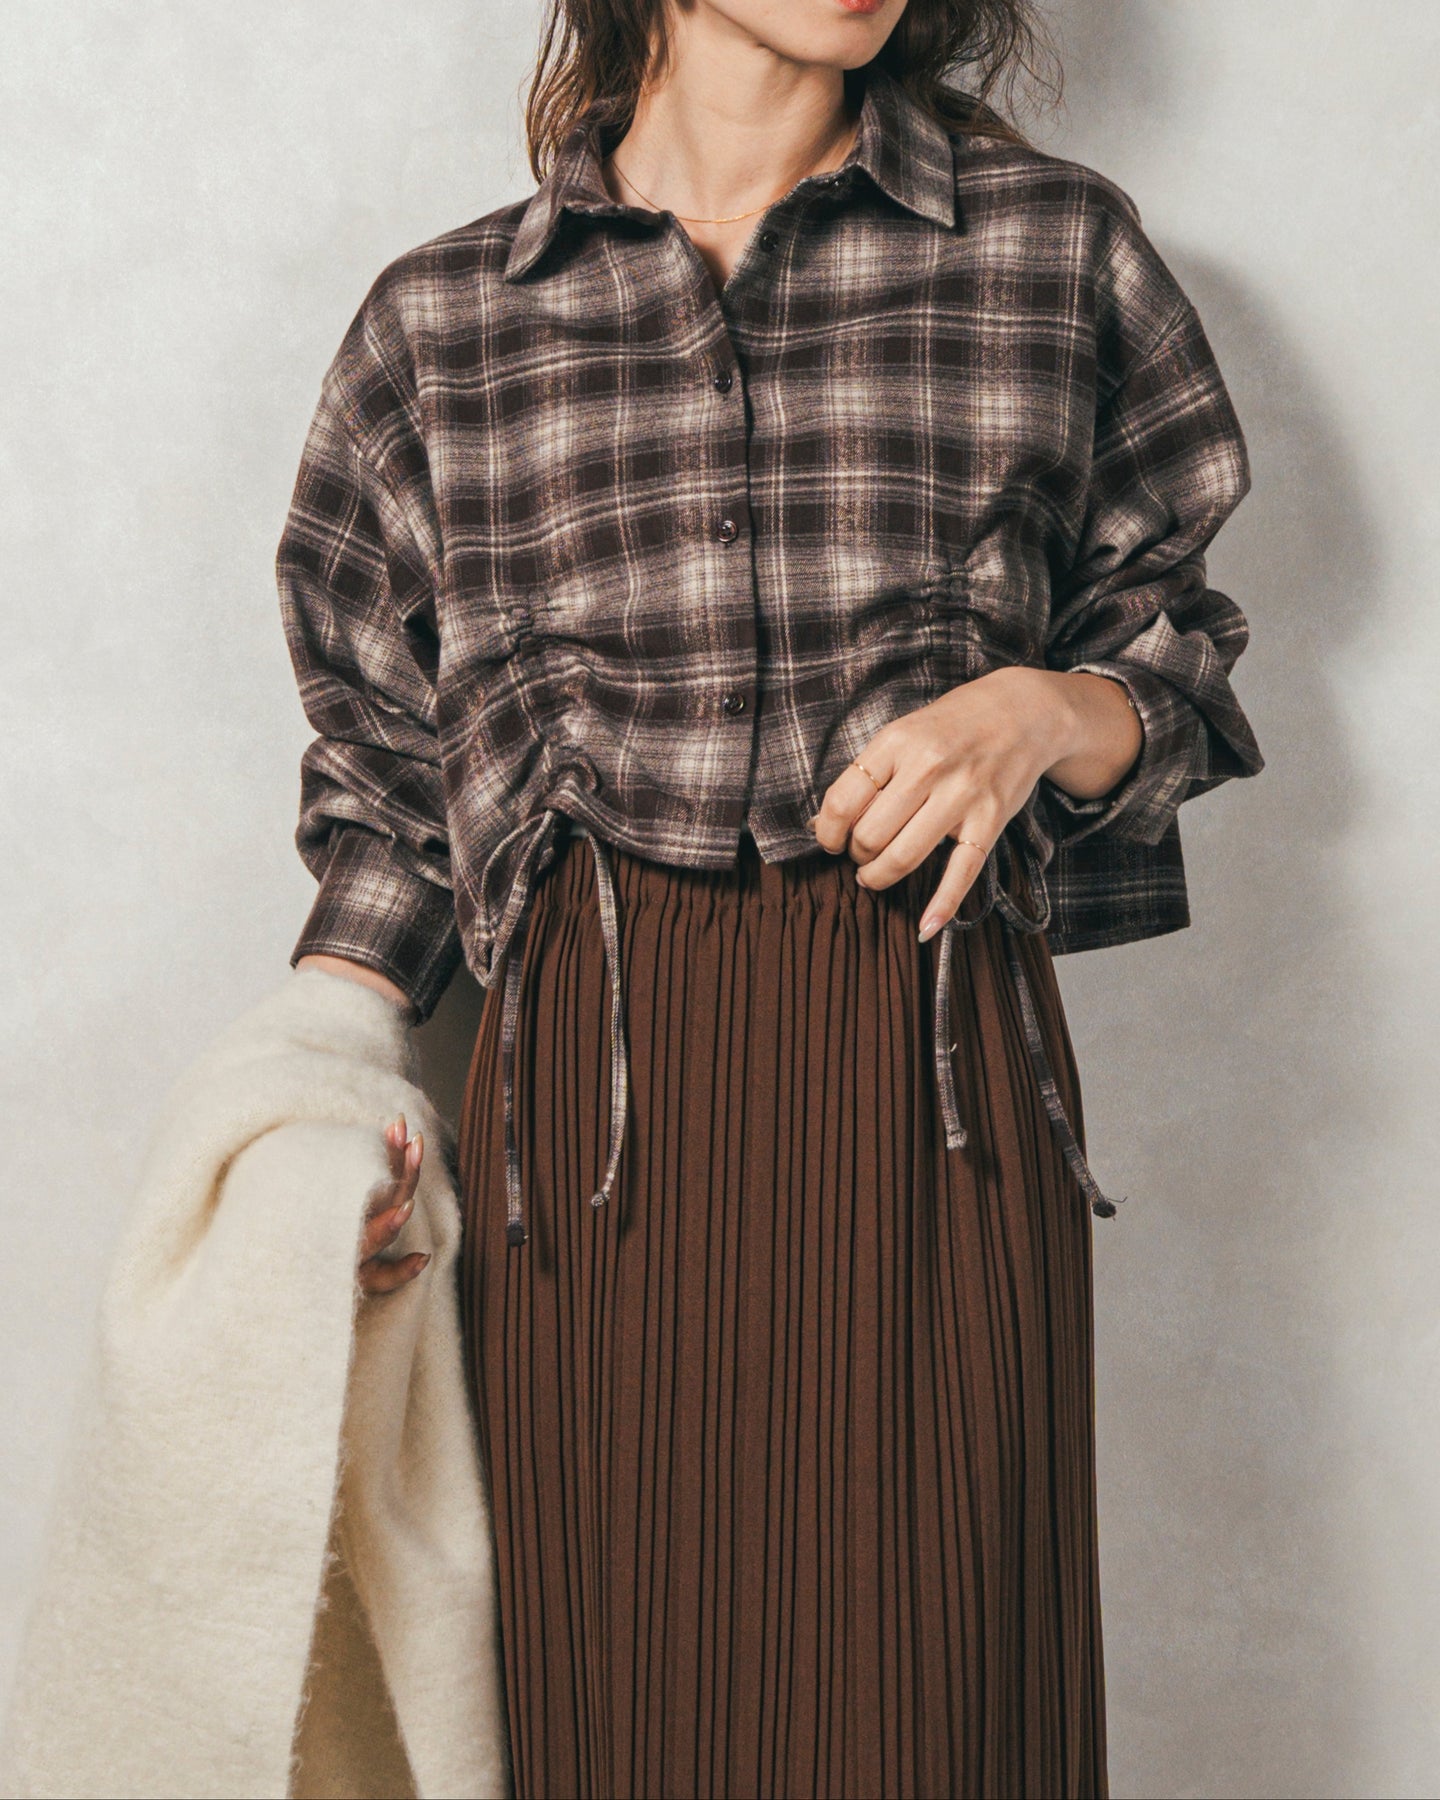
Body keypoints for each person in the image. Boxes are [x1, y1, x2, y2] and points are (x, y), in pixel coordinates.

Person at [281, 1, 1263, 1794]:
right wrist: (321, 1108)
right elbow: (388, 798)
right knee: (607, 1717)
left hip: (927, 1089)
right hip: (588, 1136)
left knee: (934, 1711)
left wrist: (1044, 712)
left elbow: (1176, 657)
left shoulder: (1052, 255)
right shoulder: (446, 325)